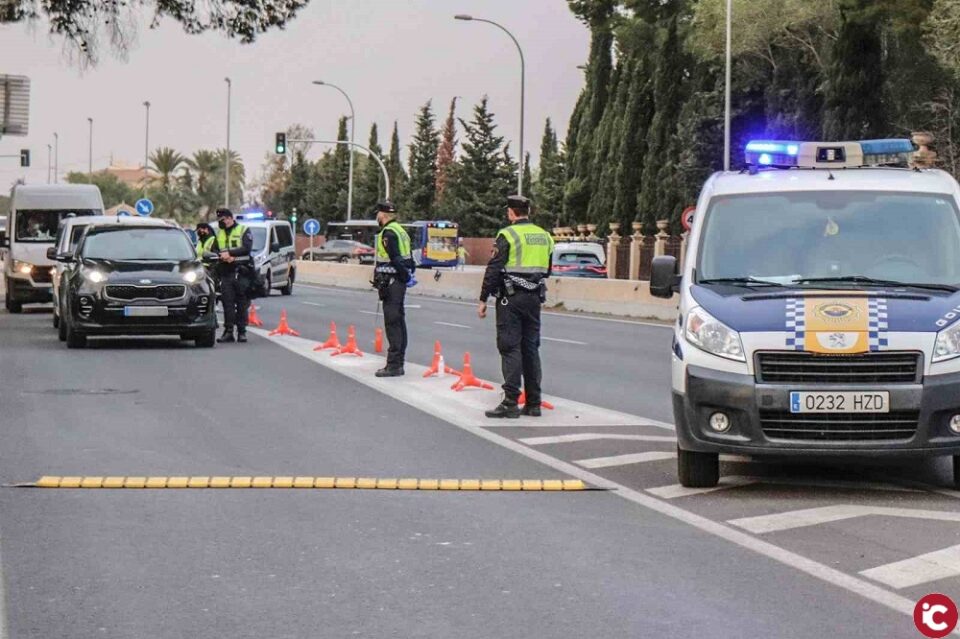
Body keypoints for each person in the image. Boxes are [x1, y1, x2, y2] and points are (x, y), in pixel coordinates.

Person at [477, 195, 554, 418]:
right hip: (534, 298)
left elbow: (494, 268)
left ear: (511, 212)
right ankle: (533, 403)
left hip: (511, 299)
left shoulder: (508, 234)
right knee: (530, 348)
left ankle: (510, 402)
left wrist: (483, 298)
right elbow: (548, 270)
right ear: (528, 211)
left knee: (510, 347)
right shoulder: (545, 236)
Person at [372, 201, 415, 377]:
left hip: (392, 282)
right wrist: (409, 275)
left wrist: (405, 276)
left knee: (392, 323)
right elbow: (409, 258)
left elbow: (395, 258)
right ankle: (399, 362)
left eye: (378, 213)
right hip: (398, 283)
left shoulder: (388, 233)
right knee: (399, 322)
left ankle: (394, 365)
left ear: (382, 215)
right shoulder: (401, 231)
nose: (376, 216)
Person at [210, 208, 253, 344]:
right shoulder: (220, 233)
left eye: (222, 220)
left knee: (241, 303)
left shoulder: (243, 230)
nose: (220, 222)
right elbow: (214, 249)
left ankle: (242, 332)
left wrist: (230, 254)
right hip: (226, 272)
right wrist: (221, 255)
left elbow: (246, 248)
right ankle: (228, 332)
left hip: (241, 271)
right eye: (219, 220)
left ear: (230, 218)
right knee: (227, 303)